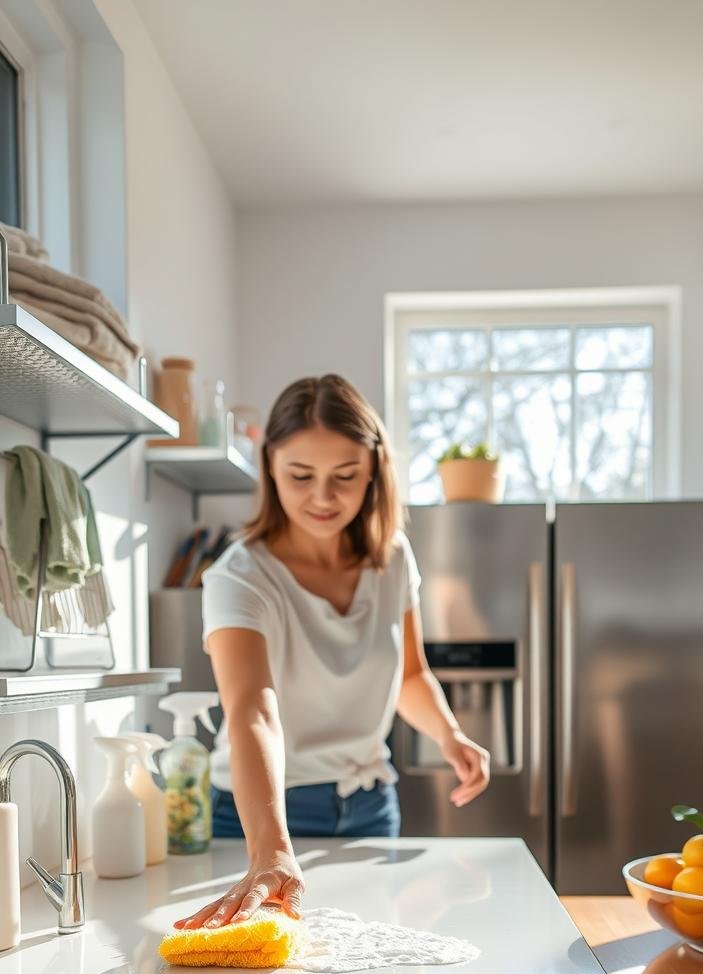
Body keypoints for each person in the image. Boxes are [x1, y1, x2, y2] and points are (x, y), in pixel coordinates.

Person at [174, 374, 490, 934]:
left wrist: (448, 733)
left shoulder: (391, 558)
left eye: (345, 477)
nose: (323, 497)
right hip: (261, 817)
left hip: (371, 805)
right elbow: (252, 709)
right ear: (270, 465)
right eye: (301, 476)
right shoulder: (240, 577)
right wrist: (270, 851)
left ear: (373, 471)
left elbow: (411, 676)